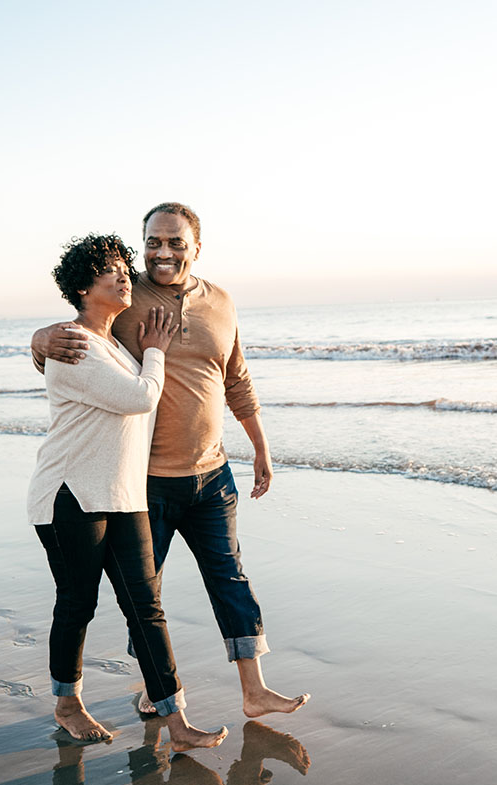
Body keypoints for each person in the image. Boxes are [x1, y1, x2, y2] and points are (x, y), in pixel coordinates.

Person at [32, 203, 309, 718]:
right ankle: (153, 687)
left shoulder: (222, 302)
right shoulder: (128, 297)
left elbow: (236, 378)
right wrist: (39, 340)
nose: (163, 252)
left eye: (175, 242)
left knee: (230, 578)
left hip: (212, 471)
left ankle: (254, 690)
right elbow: (81, 336)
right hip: (145, 482)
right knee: (145, 597)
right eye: (153, 242)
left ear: (196, 247)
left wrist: (261, 448)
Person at [28, 232, 227, 750]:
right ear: (81, 287)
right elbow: (140, 398)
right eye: (109, 269)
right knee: (78, 602)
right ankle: (67, 703)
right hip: (70, 494)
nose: (123, 275)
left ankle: (176, 719)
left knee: (146, 604)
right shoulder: (73, 345)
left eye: (124, 266)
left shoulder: (114, 343)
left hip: (121, 494)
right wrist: (157, 351)